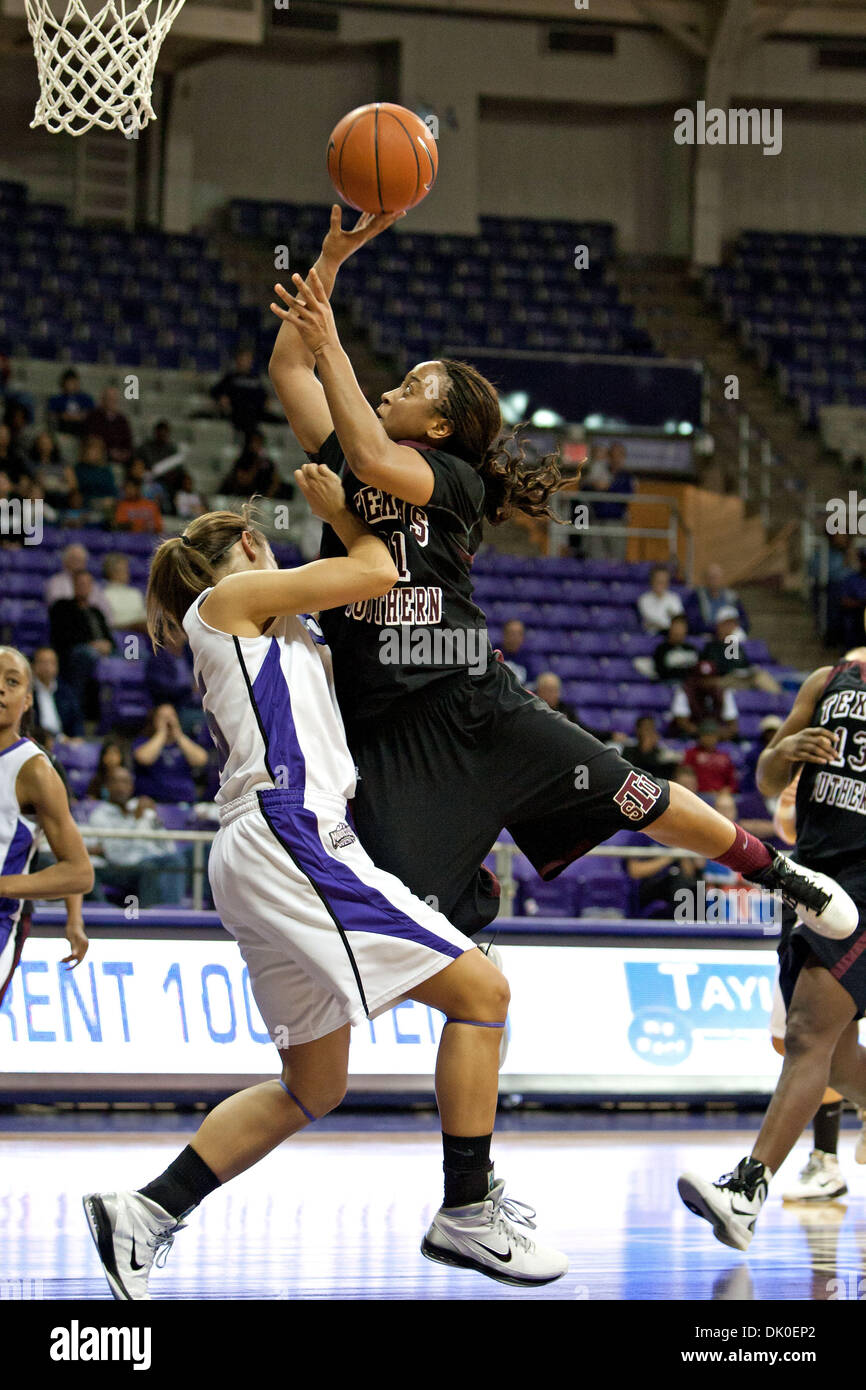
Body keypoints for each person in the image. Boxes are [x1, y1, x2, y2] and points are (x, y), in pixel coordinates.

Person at [264, 205, 857, 963]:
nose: (391, 390)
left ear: (441, 428)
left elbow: (377, 458)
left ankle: (776, 871)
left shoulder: (453, 480)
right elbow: (289, 368)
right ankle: (475, 936)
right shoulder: (352, 453)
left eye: (412, 385)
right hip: (384, 728)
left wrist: (333, 343)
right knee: (402, 917)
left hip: (470, 696)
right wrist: (330, 261)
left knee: (629, 790)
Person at [84, 482, 568, 1300]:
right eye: (261, 536)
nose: (272, 545)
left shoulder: (277, 626)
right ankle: (467, 1208)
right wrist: (348, 513)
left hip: (268, 842)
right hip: (290, 832)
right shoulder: (230, 598)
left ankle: (147, 1210)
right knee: (484, 993)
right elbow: (378, 571)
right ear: (243, 542)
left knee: (314, 1085)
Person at [678, 643, 866, 1250]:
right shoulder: (829, 679)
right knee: (827, 1053)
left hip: (864, 884)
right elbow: (767, 776)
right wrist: (785, 753)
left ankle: (746, 1192)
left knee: (810, 1032)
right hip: (811, 879)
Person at [0, 646, 93, 1007]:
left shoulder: (36, 768)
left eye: (12, 682)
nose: (1, 689)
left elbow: (78, 870)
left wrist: (74, 920)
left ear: (27, 700)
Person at [85, 766, 189, 909]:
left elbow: (168, 847)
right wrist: (137, 820)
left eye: (126, 782)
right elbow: (116, 856)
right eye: (116, 782)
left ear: (131, 786)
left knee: (176, 860)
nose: (121, 787)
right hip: (120, 869)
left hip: (147, 861)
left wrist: (155, 821)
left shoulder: (140, 808)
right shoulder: (100, 815)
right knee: (149, 867)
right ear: (107, 786)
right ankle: (149, 918)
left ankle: (172, 912)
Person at [48, 571, 116, 720]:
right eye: (80, 584)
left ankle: (115, 715)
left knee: (138, 655)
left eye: (87, 584)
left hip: (101, 653)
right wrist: (92, 644)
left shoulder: (96, 611)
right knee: (88, 654)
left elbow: (110, 637)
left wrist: (108, 645)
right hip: (75, 655)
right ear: (74, 585)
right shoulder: (62, 606)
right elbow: (62, 636)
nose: (84, 587)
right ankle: (79, 715)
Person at [132, 704, 208, 802]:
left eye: (171, 716)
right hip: (153, 801)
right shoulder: (143, 741)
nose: (168, 721)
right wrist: (161, 733)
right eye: (162, 717)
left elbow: (201, 760)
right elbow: (144, 759)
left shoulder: (185, 742)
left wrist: (178, 734)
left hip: (184, 800)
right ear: (155, 720)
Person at [700, 606, 781, 695]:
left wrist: (748, 670)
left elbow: (745, 665)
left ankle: (782, 702)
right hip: (724, 680)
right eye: (727, 624)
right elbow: (709, 670)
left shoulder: (736, 646)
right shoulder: (711, 646)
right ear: (719, 625)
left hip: (742, 679)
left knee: (761, 675)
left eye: (732, 624)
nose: (730, 627)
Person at [583, 439, 633, 561]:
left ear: (623, 457)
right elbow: (584, 488)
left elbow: (626, 495)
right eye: (612, 455)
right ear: (608, 457)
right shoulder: (598, 471)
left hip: (616, 522)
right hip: (596, 520)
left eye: (619, 455)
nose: (616, 459)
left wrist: (608, 487)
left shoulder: (626, 476)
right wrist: (594, 484)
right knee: (595, 558)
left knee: (617, 559)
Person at [44, 544, 114, 624]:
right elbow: (56, 608)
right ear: (65, 562)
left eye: (81, 560)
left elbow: (106, 611)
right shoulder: (55, 582)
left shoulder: (93, 584)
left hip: (91, 624)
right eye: (74, 559)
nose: (77, 564)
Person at [30, 645, 84, 740]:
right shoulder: (28, 692)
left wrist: (77, 738)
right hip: (37, 741)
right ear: (34, 666)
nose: (47, 667)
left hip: (64, 743)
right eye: (43, 662)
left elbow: (76, 720)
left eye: (51, 663)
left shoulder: (65, 691)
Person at [210, 348, 268, 435]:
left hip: (254, 414)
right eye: (243, 359)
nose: (246, 362)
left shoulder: (255, 378)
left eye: (248, 360)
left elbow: (264, 396)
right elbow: (215, 391)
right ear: (237, 360)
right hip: (235, 414)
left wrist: (266, 401)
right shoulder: (230, 377)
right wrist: (221, 398)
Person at [683, 720, 738, 794]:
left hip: (720, 796)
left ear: (717, 737)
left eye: (712, 735)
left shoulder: (724, 756)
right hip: (697, 794)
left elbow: (731, 781)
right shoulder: (691, 754)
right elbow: (685, 777)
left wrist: (726, 791)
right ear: (700, 736)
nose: (709, 738)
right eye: (706, 735)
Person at [84, 386, 133, 465]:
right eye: (109, 399)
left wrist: (124, 453)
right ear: (103, 400)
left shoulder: (122, 420)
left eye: (114, 399)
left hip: (121, 456)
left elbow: (128, 441)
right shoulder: (93, 417)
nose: (111, 401)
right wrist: (109, 451)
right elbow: (92, 438)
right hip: (102, 454)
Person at [621, 715, 678, 782]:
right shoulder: (628, 751)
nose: (649, 732)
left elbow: (663, 776)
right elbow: (630, 773)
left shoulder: (661, 753)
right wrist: (645, 749)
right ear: (638, 730)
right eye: (646, 728)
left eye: (652, 728)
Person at [101, 553, 147, 632]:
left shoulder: (135, 593)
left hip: (141, 629)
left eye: (126, 569)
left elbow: (144, 616)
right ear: (111, 572)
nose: (127, 573)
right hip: (120, 630)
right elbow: (110, 622)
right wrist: (131, 625)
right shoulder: (104, 595)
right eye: (123, 570)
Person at [47, 369, 94, 438]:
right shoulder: (56, 399)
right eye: (69, 382)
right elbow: (52, 415)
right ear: (63, 383)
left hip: (82, 431)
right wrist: (62, 416)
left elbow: (91, 414)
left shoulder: (86, 399)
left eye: (74, 382)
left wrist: (77, 417)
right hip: (63, 429)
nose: (72, 384)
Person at [637, 566, 684, 635]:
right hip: (653, 635)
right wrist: (670, 620)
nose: (661, 583)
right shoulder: (644, 599)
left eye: (664, 581)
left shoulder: (674, 598)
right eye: (658, 580)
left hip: (672, 635)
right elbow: (651, 620)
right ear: (652, 581)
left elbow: (679, 618)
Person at [499, 617, 530, 686]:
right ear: (504, 635)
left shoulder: (528, 658)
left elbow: (532, 683)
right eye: (512, 634)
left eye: (519, 634)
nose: (515, 638)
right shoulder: (493, 654)